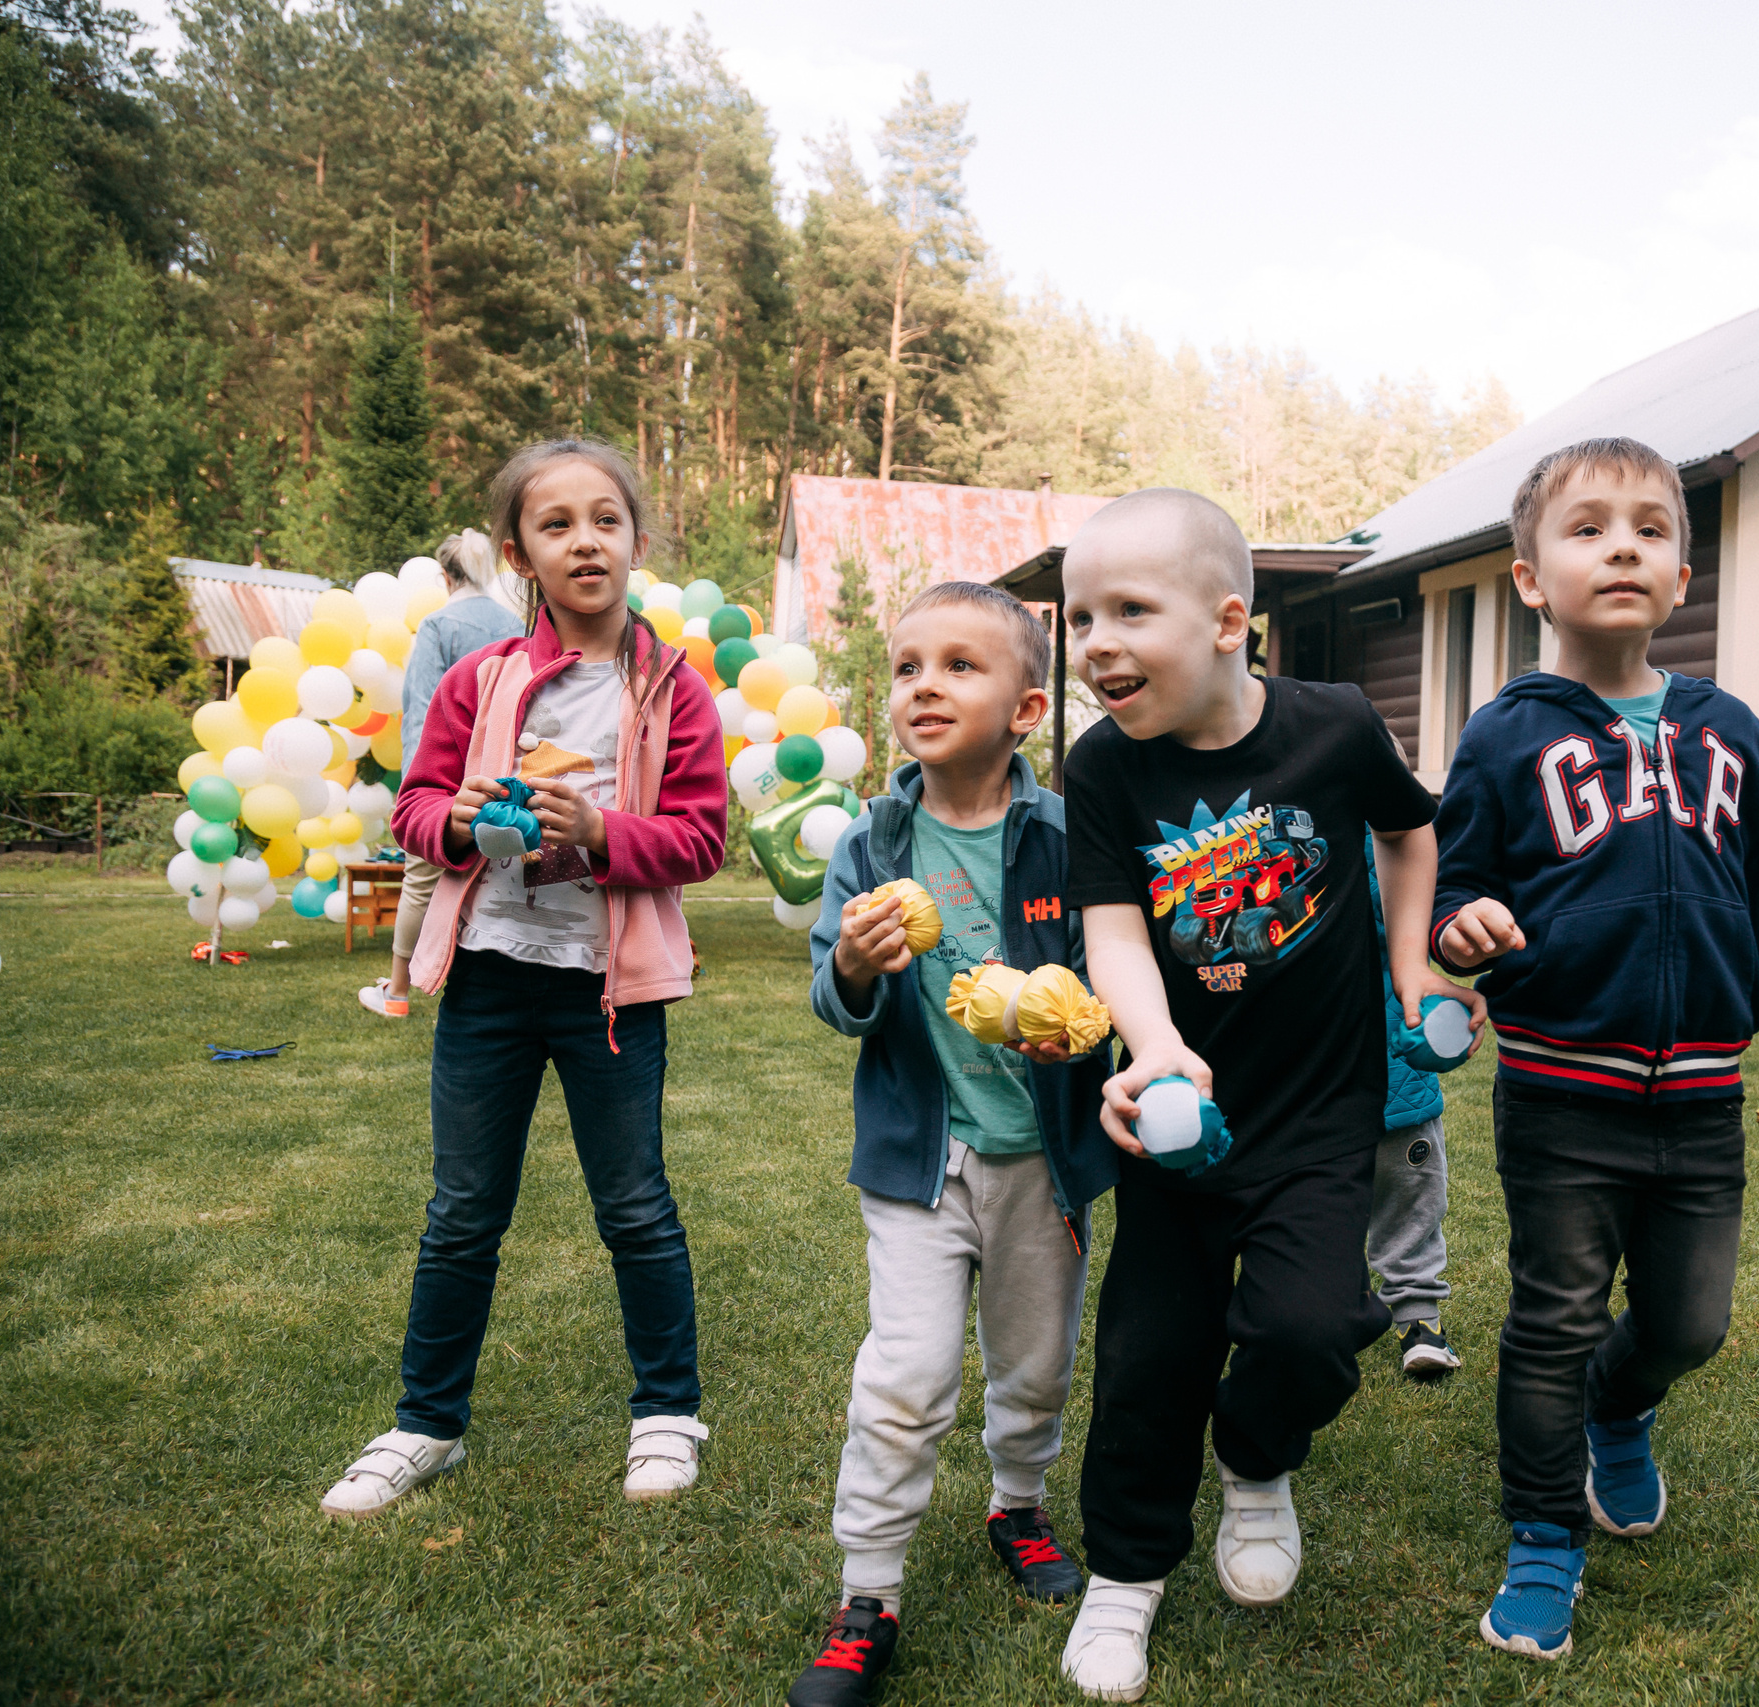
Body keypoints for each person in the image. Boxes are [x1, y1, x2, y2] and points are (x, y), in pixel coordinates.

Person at [1051, 488, 1482, 1702]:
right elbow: (1115, 932)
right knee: (1149, 1359)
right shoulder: (1103, 768)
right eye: (1082, 617)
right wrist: (1152, 1050)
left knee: (1308, 1332)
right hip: (1178, 1123)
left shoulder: (1334, 726)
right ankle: (1125, 1578)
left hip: (1317, 1116)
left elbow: (1410, 835)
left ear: (1229, 620)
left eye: (1131, 610)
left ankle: (1254, 1456)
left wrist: (1408, 968)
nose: (1097, 642)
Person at [1430, 437, 1759, 1662]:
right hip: (1562, 1096)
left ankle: (1626, 1407)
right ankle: (1543, 1537)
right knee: (1554, 1319)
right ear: (1527, 578)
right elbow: (1456, 887)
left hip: (1703, 1103)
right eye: (1588, 528)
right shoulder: (1504, 735)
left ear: (1680, 577)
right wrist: (1464, 928)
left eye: (1651, 529)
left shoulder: (1733, 735)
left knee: (1687, 1325)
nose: (1623, 545)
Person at [318, 439, 726, 1519]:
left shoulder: (674, 689)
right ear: (520, 556)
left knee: (634, 1206)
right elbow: (412, 808)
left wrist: (599, 832)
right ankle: (426, 1424)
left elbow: (699, 839)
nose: (585, 539)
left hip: (608, 990)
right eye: (557, 525)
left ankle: (667, 1413)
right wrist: (447, 819)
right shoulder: (479, 679)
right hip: (491, 981)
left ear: (637, 540)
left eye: (607, 519)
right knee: (461, 1211)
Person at [787, 581, 1118, 1707]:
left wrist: (1079, 1014)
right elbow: (831, 997)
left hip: (1045, 1161)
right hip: (919, 1163)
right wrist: (855, 968)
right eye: (906, 665)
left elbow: (1121, 988)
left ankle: (1015, 1504)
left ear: (1027, 710)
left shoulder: (1070, 839)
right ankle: (867, 1592)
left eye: (959, 666)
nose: (923, 684)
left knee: (1034, 1364)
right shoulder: (874, 840)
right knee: (906, 1373)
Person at [359, 530, 522, 1019]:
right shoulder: (516, 623)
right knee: (501, 880)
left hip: (449, 784)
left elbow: (422, 714)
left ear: (444, 575)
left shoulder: (437, 624)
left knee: (422, 882)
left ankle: (398, 993)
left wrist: (416, 794)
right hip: (508, 780)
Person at [1366, 842, 1461, 1380]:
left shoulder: (1400, 841)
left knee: (1411, 1193)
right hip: (1312, 1069)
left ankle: (1418, 1317)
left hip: (1397, 1054)